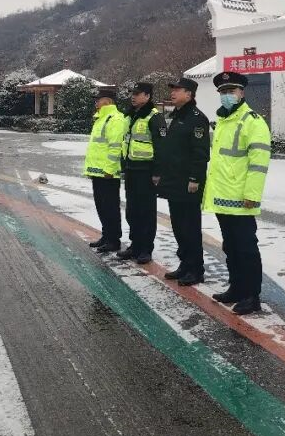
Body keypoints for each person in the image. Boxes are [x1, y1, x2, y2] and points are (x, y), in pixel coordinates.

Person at [201, 71, 271, 315]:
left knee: (246, 248)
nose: (226, 95)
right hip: (223, 197)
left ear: (242, 92)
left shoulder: (252, 122)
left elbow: (259, 162)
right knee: (230, 246)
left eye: (231, 91)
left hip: (242, 199)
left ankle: (251, 296)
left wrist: (252, 194)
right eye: (222, 92)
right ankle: (237, 287)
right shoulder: (223, 121)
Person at [153, 77, 210, 286]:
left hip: (188, 182)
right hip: (174, 180)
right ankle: (185, 264)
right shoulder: (176, 116)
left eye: (178, 90)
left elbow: (200, 153)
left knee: (190, 227)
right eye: (173, 89)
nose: (173, 93)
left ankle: (196, 269)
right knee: (178, 225)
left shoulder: (197, 118)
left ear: (189, 94)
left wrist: (195, 178)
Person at [116, 82, 164, 264]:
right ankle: (134, 245)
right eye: (132, 94)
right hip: (131, 169)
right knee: (132, 210)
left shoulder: (154, 117)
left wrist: (157, 171)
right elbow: (126, 142)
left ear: (147, 96)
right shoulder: (130, 115)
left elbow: (161, 146)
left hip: (147, 171)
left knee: (146, 211)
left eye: (137, 94)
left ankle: (145, 248)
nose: (133, 97)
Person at [83, 87, 128, 253]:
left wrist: (109, 169)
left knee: (110, 207)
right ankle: (106, 235)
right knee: (101, 206)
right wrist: (91, 170)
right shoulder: (100, 118)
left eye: (99, 99)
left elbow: (115, 146)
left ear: (108, 101)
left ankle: (113, 239)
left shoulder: (115, 119)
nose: (96, 102)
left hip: (108, 173)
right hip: (98, 171)